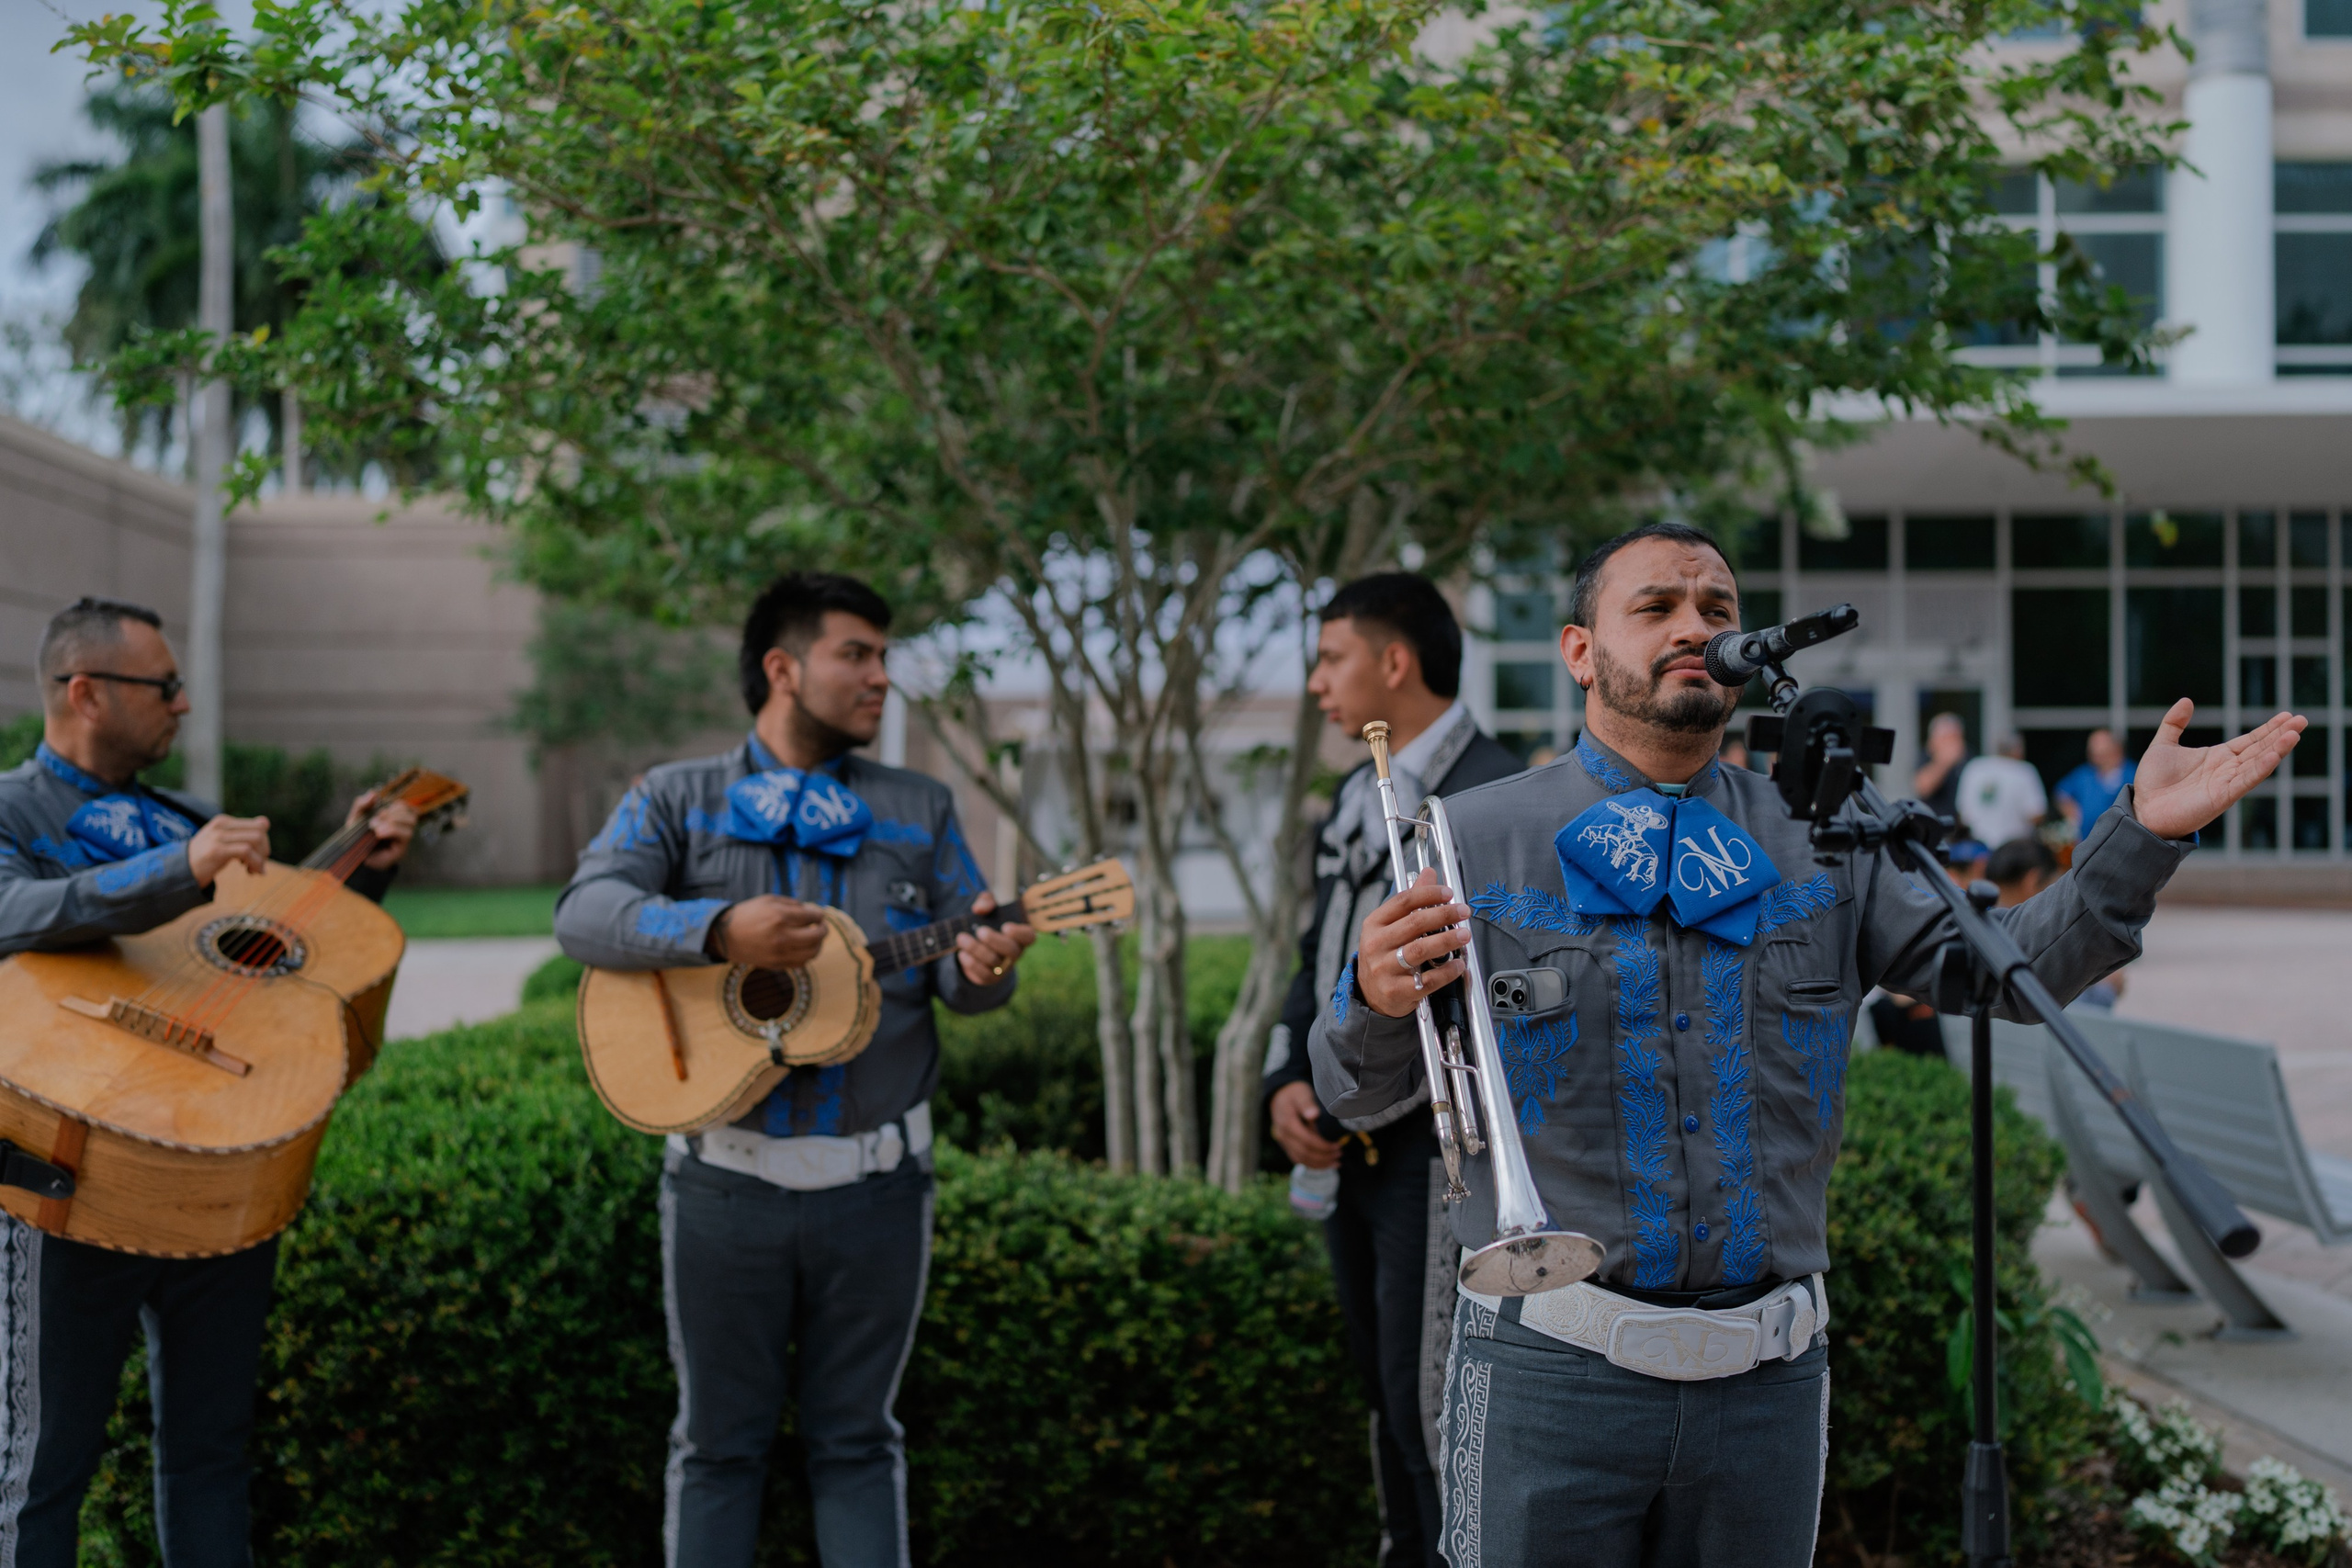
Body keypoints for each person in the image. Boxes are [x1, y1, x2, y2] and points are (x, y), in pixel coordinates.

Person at [1308, 522, 2303, 1568]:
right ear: (1577, 651)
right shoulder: (1470, 836)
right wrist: (1373, 998)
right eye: (1655, 607)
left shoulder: (1826, 839)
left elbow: (2011, 965)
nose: (1695, 627)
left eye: (1719, 610)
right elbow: (1357, 1094)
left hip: (1766, 1386)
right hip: (1549, 1377)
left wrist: (2140, 832)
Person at [553, 571, 1035, 1568]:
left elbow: (964, 990)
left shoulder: (923, 806)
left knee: (860, 1443)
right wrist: (719, 928)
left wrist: (986, 967)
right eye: (856, 655)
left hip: (880, 1186)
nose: (881, 679)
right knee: (716, 1449)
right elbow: (583, 915)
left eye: (884, 657)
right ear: (783, 668)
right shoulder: (676, 798)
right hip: (723, 1178)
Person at [0, 596, 416, 1568]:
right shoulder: (13, 808)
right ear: (86, 692)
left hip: (221, 1156)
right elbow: (11, 911)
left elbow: (270, 959)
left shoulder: (190, 815)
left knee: (210, 1455)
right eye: (166, 686)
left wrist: (356, 871)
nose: (183, 705)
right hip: (69, 1165)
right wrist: (170, 868)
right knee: (39, 1469)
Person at [1262, 572, 1522, 1568]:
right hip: (1348, 1145)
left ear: (1394, 662)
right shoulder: (1345, 795)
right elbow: (1315, 948)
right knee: (1381, 1390)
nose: (1319, 683)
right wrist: (1292, 1074)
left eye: (1332, 659)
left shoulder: (1499, 792)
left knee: (1435, 1402)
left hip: (1435, 1150)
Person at [1987, 837, 2123, 1009]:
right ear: (2033, 880)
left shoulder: (1974, 927)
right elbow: (2070, 1012)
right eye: (2054, 884)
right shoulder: (2035, 937)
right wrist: (2108, 990)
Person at [1955, 731, 2048, 851]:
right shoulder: (2024, 771)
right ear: (2018, 750)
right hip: (2013, 849)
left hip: (1978, 849)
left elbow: (1963, 816)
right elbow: (2036, 815)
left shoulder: (1974, 767)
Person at [2055, 727, 2137, 838]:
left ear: (2115, 748)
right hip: (2087, 841)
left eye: (2097, 744)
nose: (2091, 750)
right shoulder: (2084, 773)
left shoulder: (2132, 773)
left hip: (2121, 841)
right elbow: (2062, 792)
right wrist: (2073, 815)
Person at [1912, 711, 1972, 821]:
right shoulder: (1926, 756)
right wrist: (1944, 762)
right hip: (1935, 822)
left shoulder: (1968, 758)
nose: (1953, 744)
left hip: (1961, 827)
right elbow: (1923, 787)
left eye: (1956, 738)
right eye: (1947, 738)